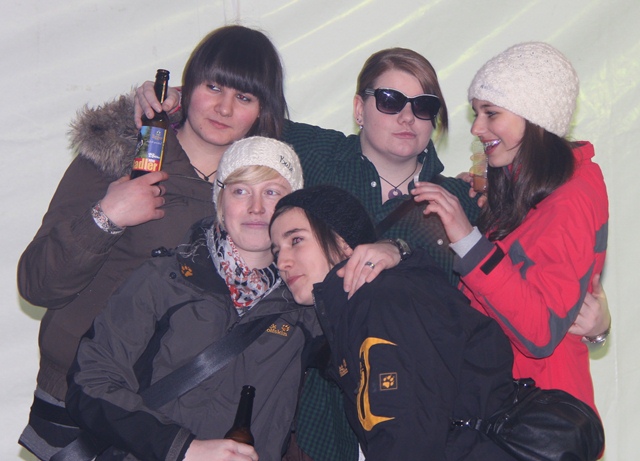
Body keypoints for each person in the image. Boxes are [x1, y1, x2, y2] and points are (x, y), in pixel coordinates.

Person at [17, 25, 289, 460]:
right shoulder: (122, 154)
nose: (223, 107)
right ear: (189, 86)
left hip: (183, 416)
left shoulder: (263, 192)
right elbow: (37, 284)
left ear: (263, 110)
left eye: (244, 97)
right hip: (80, 399)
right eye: (212, 87)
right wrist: (106, 217)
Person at [66, 136, 319, 461]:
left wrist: (384, 252)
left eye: (272, 192)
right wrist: (183, 449)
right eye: (240, 191)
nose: (256, 207)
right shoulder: (163, 279)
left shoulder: (305, 304)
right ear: (220, 200)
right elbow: (90, 381)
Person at [411, 42, 609, 412]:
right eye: (476, 112)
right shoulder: (526, 190)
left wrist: (469, 240)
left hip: (540, 417)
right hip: (508, 405)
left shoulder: (570, 198)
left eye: (491, 113)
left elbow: (540, 331)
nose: (476, 127)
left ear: (535, 118)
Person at [270, 185, 519, 461]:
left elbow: (409, 440)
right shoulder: (359, 308)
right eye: (276, 251)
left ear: (343, 242)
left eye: (296, 240)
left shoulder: (383, 302)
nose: (282, 262)